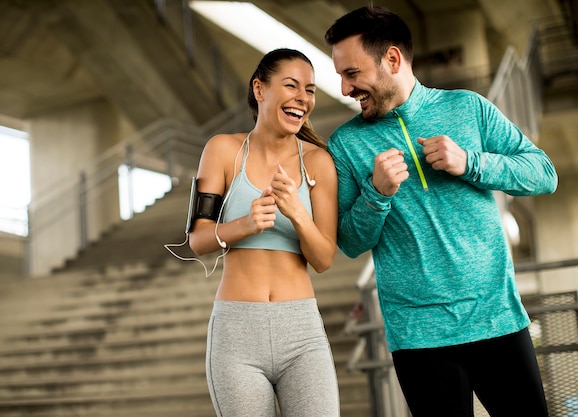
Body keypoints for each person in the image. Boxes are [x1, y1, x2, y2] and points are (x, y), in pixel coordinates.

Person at [324, 5, 557, 417]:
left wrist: (472, 162)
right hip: (418, 338)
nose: (344, 89)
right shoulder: (345, 144)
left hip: (496, 317)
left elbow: (543, 173)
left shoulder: (469, 108)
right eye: (340, 75)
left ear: (392, 59)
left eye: (352, 73)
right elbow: (350, 242)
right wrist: (377, 194)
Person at [187, 48, 340, 417]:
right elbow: (196, 241)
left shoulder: (318, 161)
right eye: (291, 86)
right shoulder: (222, 150)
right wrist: (245, 224)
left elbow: (323, 259)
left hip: (301, 332)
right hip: (236, 333)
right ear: (260, 88)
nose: (303, 98)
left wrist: (297, 213)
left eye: (310, 90)